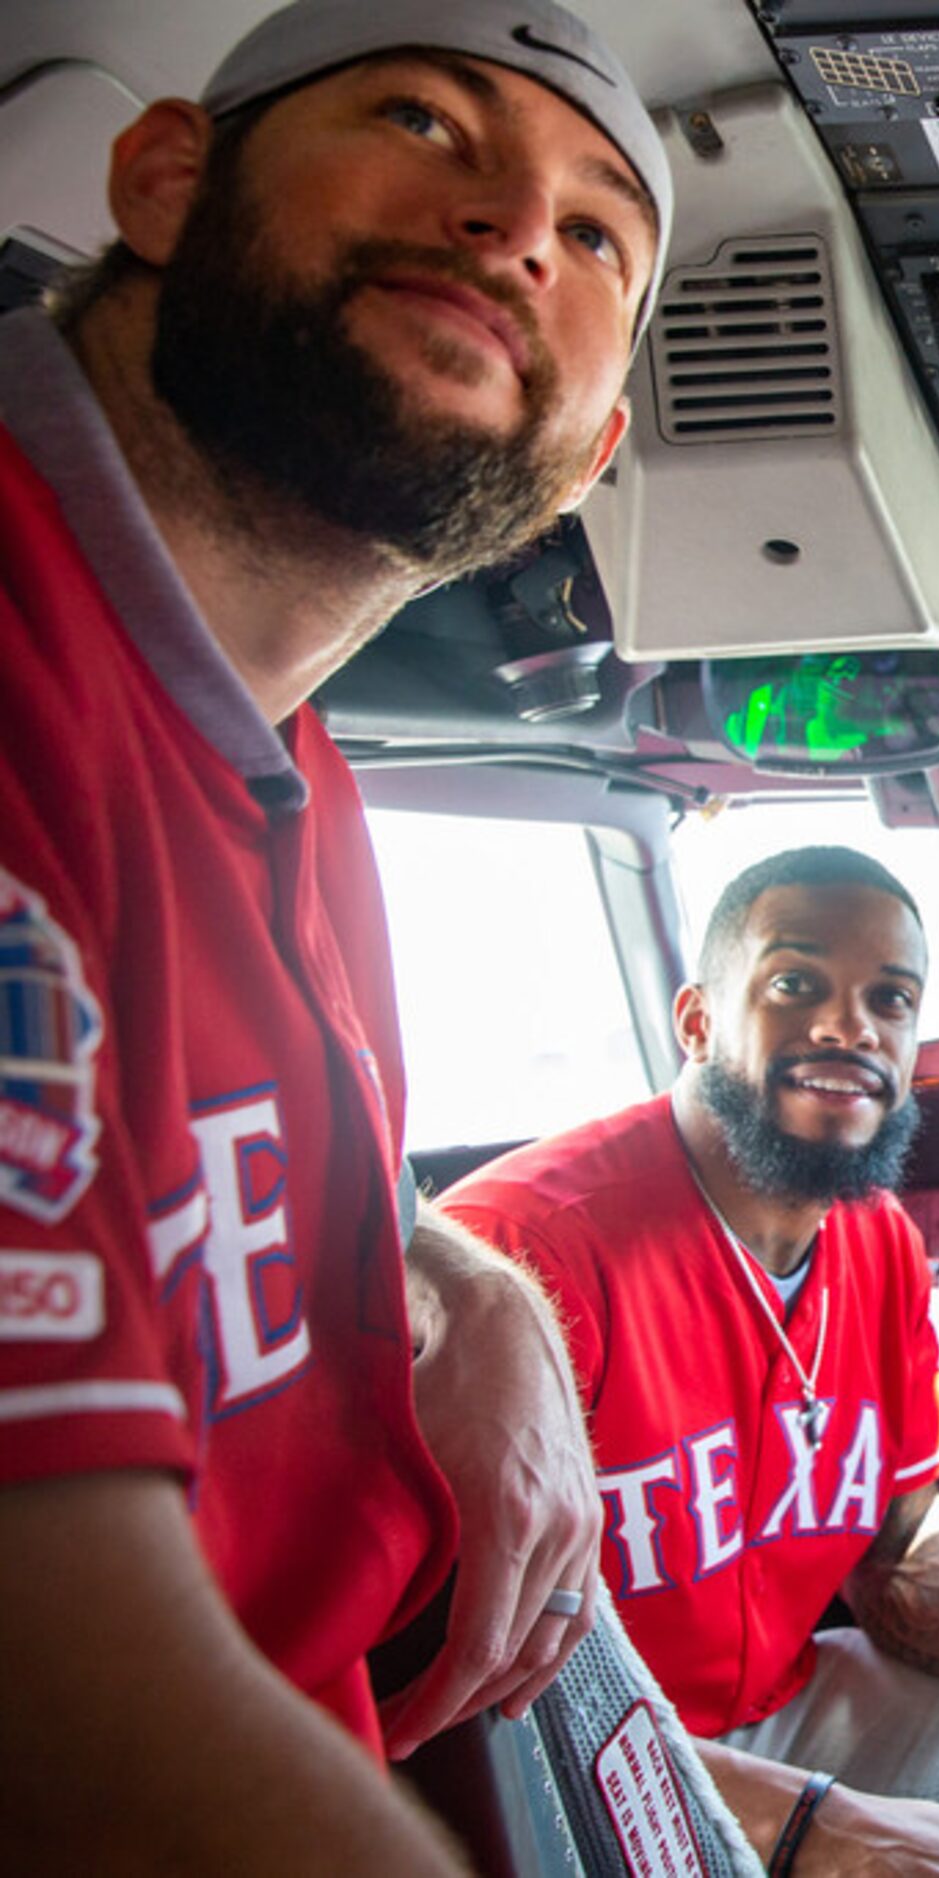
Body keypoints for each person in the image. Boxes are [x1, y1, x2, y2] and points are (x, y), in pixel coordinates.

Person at [0, 0, 673, 1864]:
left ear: (593, 445)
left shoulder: (287, 765)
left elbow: (179, 1166)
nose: (519, 229)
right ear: (164, 179)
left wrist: (464, 1287)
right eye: (425, 120)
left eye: (597, 229)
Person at [442, 846, 939, 1878]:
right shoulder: (520, 1255)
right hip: (573, 1763)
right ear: (696, 1020)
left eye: (889, 1000)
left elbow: (899, 1533)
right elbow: (467, 1693)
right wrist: (798, 1822)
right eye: (795, 983)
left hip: (779, 1711)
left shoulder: (878, 1239)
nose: (849, 1026)